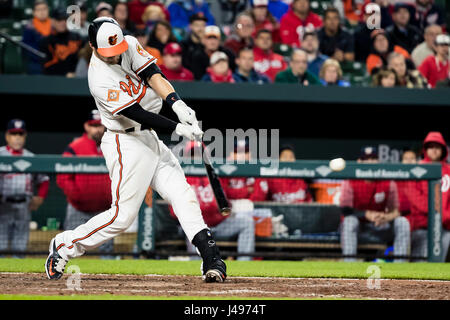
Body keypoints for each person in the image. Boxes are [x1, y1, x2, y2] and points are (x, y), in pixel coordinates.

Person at [45, 17, 227, 283]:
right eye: (108, 52)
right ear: (92, 46)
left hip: (149, 137)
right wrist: (178, 128)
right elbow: (137, 113)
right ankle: (64, 245)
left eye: (117, 48)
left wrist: (177, 104)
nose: (115, 55)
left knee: (182, 194)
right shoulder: (98, 78)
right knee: (122, 217)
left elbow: (153, 74)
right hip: (124, 142)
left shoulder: (127, 43)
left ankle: (212, 258)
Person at [172, 141, 256, 261]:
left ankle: (244, 265)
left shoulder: (214, 174)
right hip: (195, 226)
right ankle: (196, 269)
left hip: (220, 225)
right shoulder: (182, 177)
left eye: (199, 154)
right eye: (192, 154)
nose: (196, 158)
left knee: (246, 223)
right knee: (189, 227)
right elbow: (174, 210)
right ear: (187, 157)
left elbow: (227, 197)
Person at [56, 110, 114, 258]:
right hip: (78, 209)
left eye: (100, 125)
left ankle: (108, 281)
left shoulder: (113, 145)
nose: (97, 129)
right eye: (93, 125)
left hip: (104, 210)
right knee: (70, 247)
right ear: (86, 126)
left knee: (107, 251)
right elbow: (63, 177)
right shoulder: (75, 147)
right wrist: (77, 196)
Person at [339, 146, 410, 262]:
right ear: (359, 162)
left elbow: (396, 210)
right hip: (359, 229)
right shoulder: (350, 180)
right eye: (366, 159)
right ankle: (349, 265)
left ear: (378, 161)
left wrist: (386, 217)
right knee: (349, 221)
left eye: (373, 158)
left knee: (402, 222)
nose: (370, 162)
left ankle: (399, 266)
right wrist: (366, 214)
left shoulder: (387, 182)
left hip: (380, 226)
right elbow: (345, 210)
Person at [0, 119, 49, 257]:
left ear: (25, 136)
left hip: (23, 206)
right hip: (3, 206)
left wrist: (40, 197)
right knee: (1, 247)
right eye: (14, 134)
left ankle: (17, 279)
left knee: (20, 249)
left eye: (20, 134)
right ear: (7, 136)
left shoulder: (30, 157)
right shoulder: (1, 154)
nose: (17, 137)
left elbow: (44, 180)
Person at [407, 132, 450, 261]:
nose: (434, 150)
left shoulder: (449, 170)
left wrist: (445, 217)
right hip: (423, 226)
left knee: (438, 265)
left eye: (437, 146)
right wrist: (437, 214)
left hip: (446, 227)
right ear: (425, 150)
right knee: (420, 266)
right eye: (431, 146)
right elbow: (415, 198)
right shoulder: (417, 169)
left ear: (443, 149)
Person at [40, 8, 83, 76]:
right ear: (53, 21)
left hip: (77, 78)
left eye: (65, 19)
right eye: (59, 20)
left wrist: (76, 73)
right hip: (55, 80)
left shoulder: (77, 38)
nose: (63, 22)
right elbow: (46, 66)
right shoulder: (47, 41)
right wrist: (65, 74)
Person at [22, 0, 52, 75]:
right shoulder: (29, 27)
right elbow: (27, 47)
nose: (42, 12)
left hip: (53, 60)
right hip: (36, 62)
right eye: (39, 10)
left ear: (48, 10)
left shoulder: (54, 25)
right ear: (34, 12)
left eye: (44, 9)